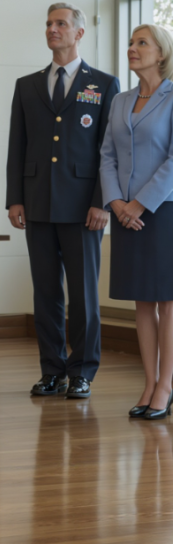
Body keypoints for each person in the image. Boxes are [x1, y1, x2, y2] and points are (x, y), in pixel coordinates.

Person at [6, 3, 120, 399]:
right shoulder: (27, 85)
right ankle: (52, 370)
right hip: (37, 203)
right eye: (49, 24)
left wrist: (102, 202)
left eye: (61, 24)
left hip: (83, 207)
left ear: (79, 33)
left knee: (84, 294)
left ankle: (82, 370)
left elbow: (108, 150)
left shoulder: (103, 85)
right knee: (46, 293)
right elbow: (17, 146)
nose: (52, 29)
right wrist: (15, 198)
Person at [99, 23, 173, 420]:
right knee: (142, 301)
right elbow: (106, 156)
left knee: (168, 302)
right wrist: (116, 202)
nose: (132, 48)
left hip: (162, 211)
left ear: (161, 53)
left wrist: (140, 204)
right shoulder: (120, 100)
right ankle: (149, 382)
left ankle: (166, 385)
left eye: (142, 43)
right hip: (125, 213)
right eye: (130, 42)